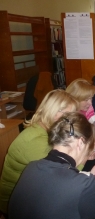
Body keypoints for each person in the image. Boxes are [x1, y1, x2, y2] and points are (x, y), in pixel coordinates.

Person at [8, 112, 95, 219]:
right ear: (81, 143)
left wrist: (90, 177)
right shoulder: (83, 184)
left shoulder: (32, 167)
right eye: (89, 146)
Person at [0, 89, 78, 217]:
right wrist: (83, 156)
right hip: (15, 204)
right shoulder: (35, 141)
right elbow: (64, 175)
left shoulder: (44, 130)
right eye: (68, 115)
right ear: (53, 112)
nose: (71, 121)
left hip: (31, 195)